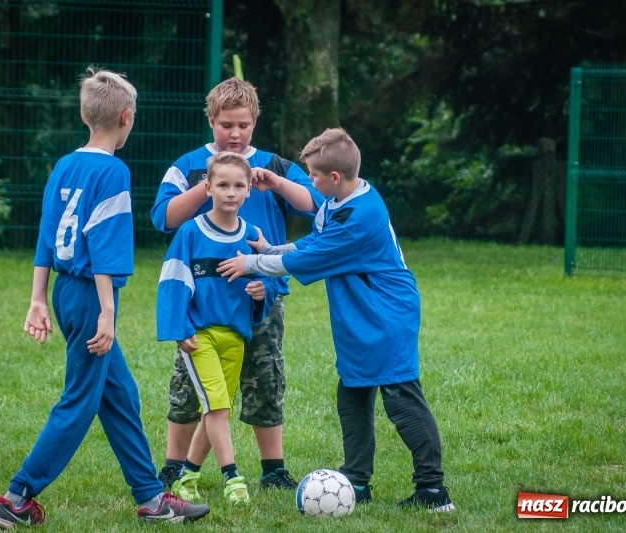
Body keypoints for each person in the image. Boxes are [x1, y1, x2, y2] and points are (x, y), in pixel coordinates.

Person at [0, 66, 210, 529]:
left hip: (67, 292)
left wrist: (38, 299)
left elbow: (47, 236)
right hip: (91, 295)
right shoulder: (112, 170)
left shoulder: (65, 164)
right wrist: (107, 312)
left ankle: (151, 498)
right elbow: (104, 243)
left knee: (120, 394)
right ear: (126, 117)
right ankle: (16, 497)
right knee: (79, 401)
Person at [217, 127, 456, 511]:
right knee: (353, 394)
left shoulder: (362, 215)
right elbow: (314, 241)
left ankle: (433, 490)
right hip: (357, 316)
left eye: (312, 175)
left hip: (385, 315)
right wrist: (271, 247)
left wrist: (251, 262)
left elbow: (310, 259)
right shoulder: (337, 201)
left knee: (402, 400)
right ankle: (357, 482)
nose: (308, 182)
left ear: (333, 177)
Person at [150, 77, 324, 495]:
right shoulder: (190, 164)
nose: (235, 134)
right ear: (211, 120)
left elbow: (318, 202)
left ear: (255, 122)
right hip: (206, 305)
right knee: (189, 387)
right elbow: (163, 218)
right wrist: (210, 183)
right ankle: (174, 467)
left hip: (261, 297)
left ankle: (273, 469)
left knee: (265, 381)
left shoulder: (275, 165)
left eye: (243, 125)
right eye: (226, 124)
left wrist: (275, 183)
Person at [156, 152, 278, 504]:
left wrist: (261, 292)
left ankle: (187, 475)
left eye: (239, 186)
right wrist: (179, 329)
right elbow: (172, 282)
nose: (230, 192)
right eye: (222, 185)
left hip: (236, 337)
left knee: (216, 407)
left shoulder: (253, 235)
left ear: (249, 192)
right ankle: (232, 478)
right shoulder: (190, 233)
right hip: (200, 336)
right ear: (207, 188)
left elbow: (270, 279)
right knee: (217, 409)